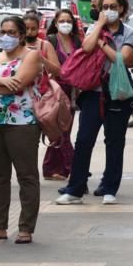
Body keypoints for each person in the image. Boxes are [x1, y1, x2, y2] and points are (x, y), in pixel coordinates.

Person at [56, 0, 133, 206]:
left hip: (118, 93)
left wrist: (103, 44)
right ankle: (75, 188)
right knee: (84, 140)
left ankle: (109, 188)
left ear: (121, 8)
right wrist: (100, 27)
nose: (108, 11)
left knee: (114, 141)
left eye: (112, 7)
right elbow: (86, 46)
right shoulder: (94, 28)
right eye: (104, 7)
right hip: (93, 93)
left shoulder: (129, 33)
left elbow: (123, 59)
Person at [0, 16, 43, 244]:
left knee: (26, 175)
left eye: (12, 32)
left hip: (21, 124)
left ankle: (25, 228)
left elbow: (19, 85)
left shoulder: (31, 55)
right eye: (2, 32)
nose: (6, 37)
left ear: (22, 35)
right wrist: (3, 82)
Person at [41, 9, 82, 180]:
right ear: (56, 24)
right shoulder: (50, 41)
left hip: (72, 91)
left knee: (64, 130)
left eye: (69, 21)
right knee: (60, 131)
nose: (65, 24)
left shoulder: (77, 40)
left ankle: (52, 169)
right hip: (55, 90)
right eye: (62, 21)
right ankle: (74, 166)